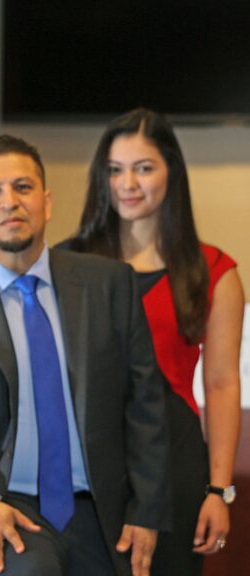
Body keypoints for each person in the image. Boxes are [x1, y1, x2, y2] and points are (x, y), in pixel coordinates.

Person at [0, 134, 170, 576]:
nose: (9, 202)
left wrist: (146, 510)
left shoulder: (110, 285)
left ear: (47, 201)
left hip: (101, 512)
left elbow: (147, 406)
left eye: (23, 187)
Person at [65, 108, 244, 576]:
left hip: (173, 461)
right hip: (85, 460)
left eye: (143, 168)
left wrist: (218, 490)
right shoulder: (67, 262)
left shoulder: (214, 272)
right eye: (115, 170)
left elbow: (223, 384)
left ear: (172, 173)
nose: (128, 183)